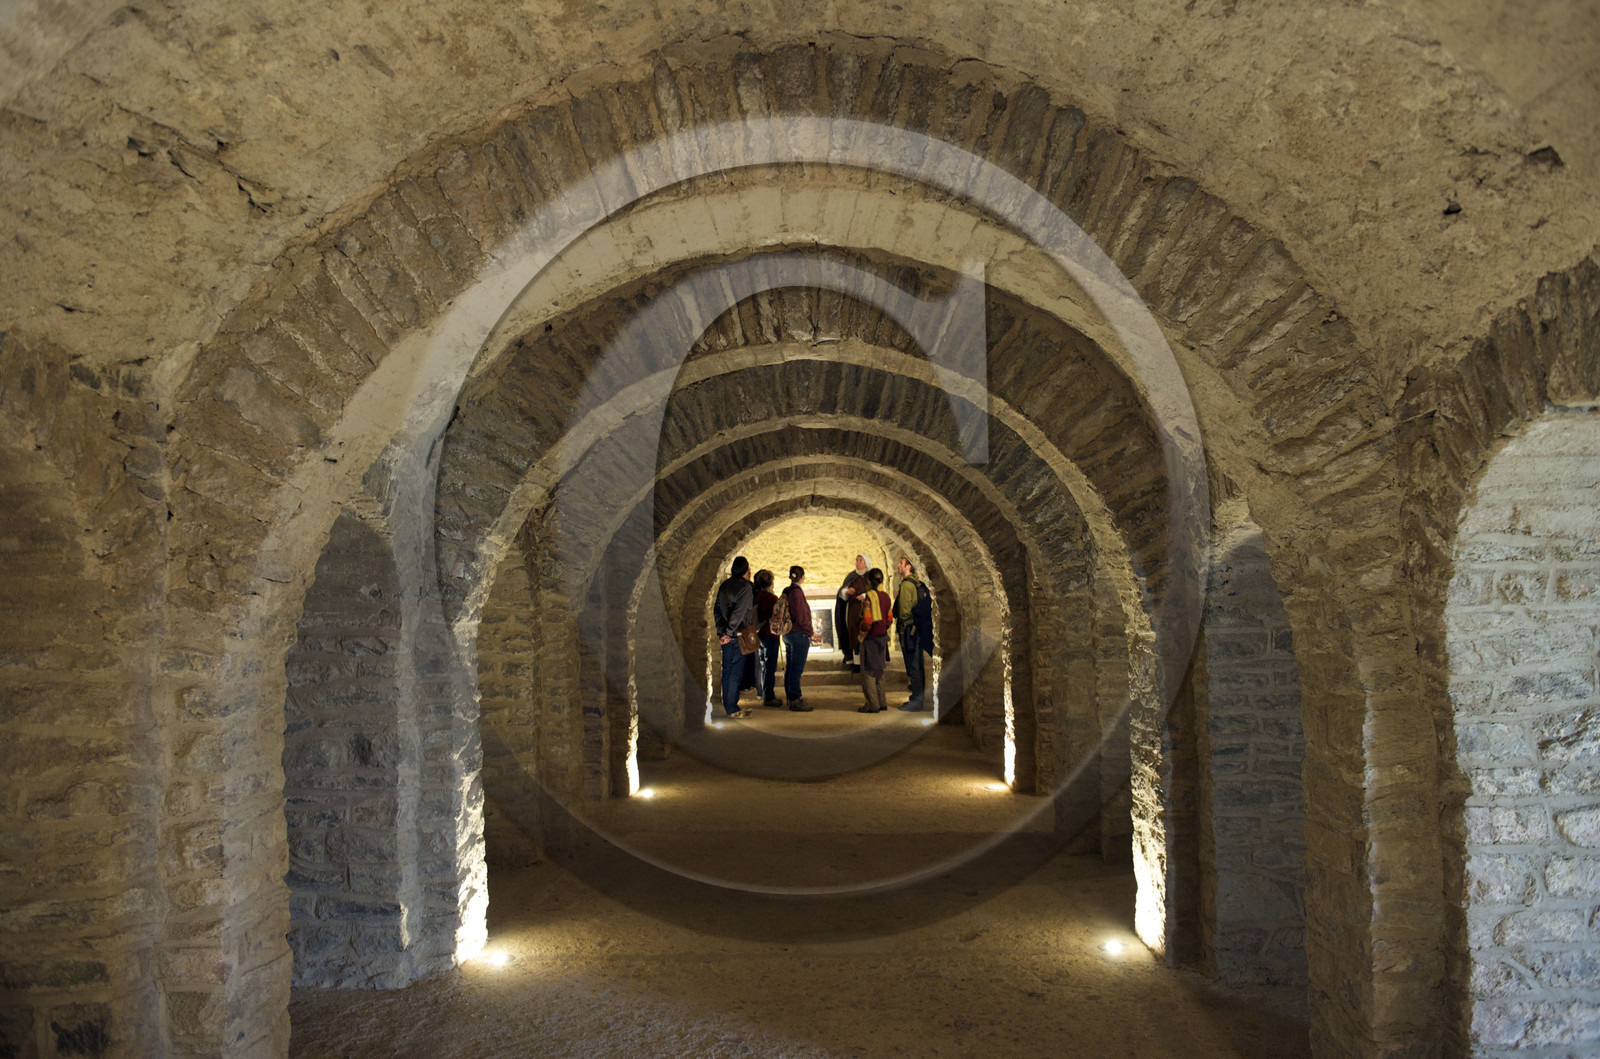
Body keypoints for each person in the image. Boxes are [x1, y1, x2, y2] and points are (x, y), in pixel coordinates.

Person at [713, 556, 757, 719]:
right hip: (737, 636)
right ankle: (731, 708)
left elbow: (717, 610)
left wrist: (721, 632)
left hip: (726, 636)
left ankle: (731, 706)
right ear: (746, 570)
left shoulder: (725, 585)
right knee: (735, 672)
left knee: (728, 671)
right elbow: (739, 613)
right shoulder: (746, 588)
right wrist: (729, 633)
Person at [778, 565, 821, 711]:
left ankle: (791, 697)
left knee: (791, 668)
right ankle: (796, 699)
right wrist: (810, 631)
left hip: (789, 634)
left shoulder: (787, 590)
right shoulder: (796, 592)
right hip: (798, 634)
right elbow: (801, 616)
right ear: (802, 577)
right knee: (796, 669)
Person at [894, 556, 933, 711]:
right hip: (917, 630)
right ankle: (917, 698)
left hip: (909, 631)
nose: (898, 565)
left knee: (913, 666)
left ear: (908, 567)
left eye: (901, 563)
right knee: (917, 665)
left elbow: (903, 611)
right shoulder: (918, 583)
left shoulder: (906, 585)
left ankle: (916, 701)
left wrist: (903, 629)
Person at [856, 567, 893, 713]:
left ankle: (872, 704)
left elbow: (867, 621)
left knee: (868, 673)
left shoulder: (869, 598)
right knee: (880, 671)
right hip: (882, 638)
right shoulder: (886, 597)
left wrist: (861, 634)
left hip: (870, 638)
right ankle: (882, 702)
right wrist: (883, 628)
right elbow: (889, 619)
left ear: (869, 581)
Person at [835, 553, 869, 672]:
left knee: (866, 636)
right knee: (853, 635)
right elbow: (841, 593)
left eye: (860, 560)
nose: (858, 562)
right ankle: (856, 662)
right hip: (853, 611)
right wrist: (846, 591)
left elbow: (876, 593)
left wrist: (864, 595)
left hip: (867, 611)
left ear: (866, 563)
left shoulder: (870, 576)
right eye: (856, 560)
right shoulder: (851, 576)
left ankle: (867, 661)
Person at [753, 569, 781, 707]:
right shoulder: (772, 599)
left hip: (760, 633)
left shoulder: (758, 596)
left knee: (763, 665)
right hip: (770, 634)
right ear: (771, 582)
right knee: (770, 666)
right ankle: (769, 696)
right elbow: (777, 617)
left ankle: (765, 693)